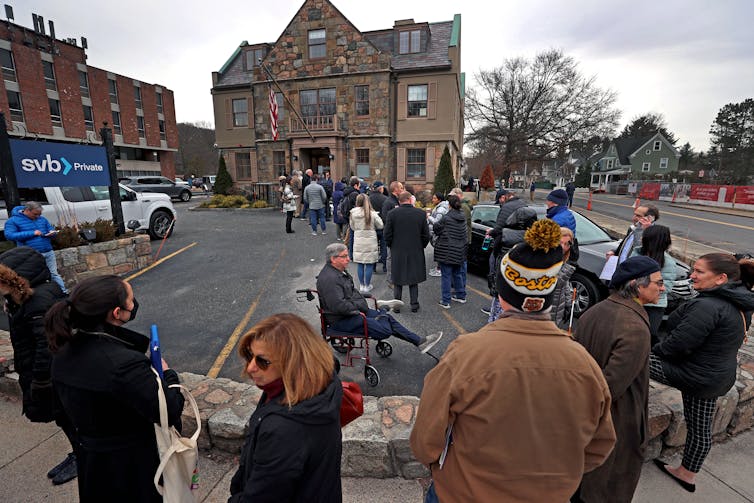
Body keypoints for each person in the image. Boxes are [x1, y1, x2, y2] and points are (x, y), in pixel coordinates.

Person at [410, 219, 616, 503]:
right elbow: (599, 446)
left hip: (465, 493)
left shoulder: (465, 354)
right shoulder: (585, 364)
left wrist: (442, 468)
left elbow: (425, 441)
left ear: (503, 298)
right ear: (547, 298)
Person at [45, 275, 185, 502]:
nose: (134, 303)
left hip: (93, 464)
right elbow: (169, 410)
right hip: (133, 467)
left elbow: (61, 413)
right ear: (117, 313)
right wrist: (167, 375)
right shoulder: (123, 364)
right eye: (131, 300)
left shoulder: (62, 353)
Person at [650, 253, 754, 493]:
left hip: (696, 376)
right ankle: (687, 474)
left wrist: (654, 350)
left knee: (636, 360)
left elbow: (678, 344)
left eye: (699, 272)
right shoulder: (741, 301)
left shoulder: (708, 305)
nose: (691, 275)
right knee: (700, 428)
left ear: (721, 278)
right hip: (715, 377)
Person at [573, 256, 664, 503]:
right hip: (615, 422)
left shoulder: (595, 311)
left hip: (586, 417)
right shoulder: (634, 327)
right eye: (658, 282)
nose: (662, 287)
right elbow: (610, 386)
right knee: (605, 485)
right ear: (637, 284)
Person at [228, 313, 342, 502]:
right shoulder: (320, 384)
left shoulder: (283, 429)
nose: (250, 368)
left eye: (262, 361)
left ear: (292, 362)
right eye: (249, 356)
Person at [0, 247, 77, 485]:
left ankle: (83, 456)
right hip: (46, 373)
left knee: (68, 416)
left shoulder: (39, 301)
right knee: (63, 417)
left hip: (52, 375)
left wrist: (41, 381)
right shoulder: (24, 299)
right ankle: (78, 453)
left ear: (15, 280)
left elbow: (47, 346)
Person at [316, 243, 442, 352]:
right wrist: (359, 306)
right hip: (342, 320)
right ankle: (383, 310)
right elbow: (339, 306)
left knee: (388, 319)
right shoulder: (330, 279)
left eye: (348, 255)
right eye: (344, 256)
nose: (349, 259)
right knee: (385, 329)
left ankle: (419, 342)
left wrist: (360, 305)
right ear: (333, 259)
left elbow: (349, 295)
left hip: (353, 313)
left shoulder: (339, 271)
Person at [483, 206, 538, 320]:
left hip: (504, 278)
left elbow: (495, 254)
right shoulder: (535, 238)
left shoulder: (504, 234)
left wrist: (493, 282)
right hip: (524, 283)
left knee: (499, 312)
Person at [5, 201, 68, 293]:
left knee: (54, 274)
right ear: (27, 210)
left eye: (39, 214)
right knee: (36, 277)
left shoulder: (42, 219)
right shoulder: (13, 221)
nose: (38, 216)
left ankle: (63, 292)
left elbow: (50, 229)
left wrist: (52, 233)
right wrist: (32, 233)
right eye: (35, 214)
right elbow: (9, 235)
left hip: (48, 251)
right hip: (31, 255)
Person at [385, 191, 431, 313]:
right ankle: (414, 304)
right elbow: (426, 235)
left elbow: (387, 234)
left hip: (397, 249)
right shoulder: (420, 214)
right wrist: (421, 246)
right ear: (410, 200)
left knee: (397, 278)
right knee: (413, 278)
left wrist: (392, 246)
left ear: (399, 201)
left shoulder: (392, 214)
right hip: (415, 249)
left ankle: (396, 306)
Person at [630, 225, 676, 345]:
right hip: (633, 301)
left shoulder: (668, 262)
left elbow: (667, 287)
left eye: (644, 236)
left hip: (654, 306)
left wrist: (642, 287)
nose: (641, 239)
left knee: (647, 336)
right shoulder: (636, 253)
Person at [433, 195, 468, 309]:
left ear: (449, 205)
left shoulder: (446, 218)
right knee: (457, 274)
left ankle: (446, 300)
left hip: (447, 250)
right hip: (459, 250)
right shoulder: (463, 217)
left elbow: (436, 228)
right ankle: (461, 295)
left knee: (446, 276)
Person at [349, 194, 383, 293]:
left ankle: (362, 285)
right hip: (370, 240)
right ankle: (367, 285)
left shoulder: (353, 213)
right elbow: (380, 225)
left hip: (359, 239)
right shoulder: (372, 214)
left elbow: (352, 227)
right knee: (368, 264)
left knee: (360, 263)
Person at [551, 227, 577, 329]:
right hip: (548, 309)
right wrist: (570, 266)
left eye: (567, 244)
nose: (563, 247)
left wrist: (568, 303)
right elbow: (555, 283)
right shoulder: (548, 257)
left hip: (558, 308)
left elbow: (565, 283)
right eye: (560, 243)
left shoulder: (563, 259)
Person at [427, 193, 450, 277]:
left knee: (439, 251)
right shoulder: (440, 207)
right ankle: (438, 268)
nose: (432, 200)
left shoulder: (441, 209)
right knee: (438, 250)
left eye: (434, 198)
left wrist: (428, 216)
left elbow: (437, 222)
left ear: (439, 200)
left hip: (438, 234)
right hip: (437, 233)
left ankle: (440, 269)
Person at [369, 181, 388, 273]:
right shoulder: (385, 199)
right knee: (384, 246)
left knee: (374, 247)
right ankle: (384, 266)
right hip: (383, 225)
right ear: (380, 188)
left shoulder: (368, 199)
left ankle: (373, 267)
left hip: (372, 226)